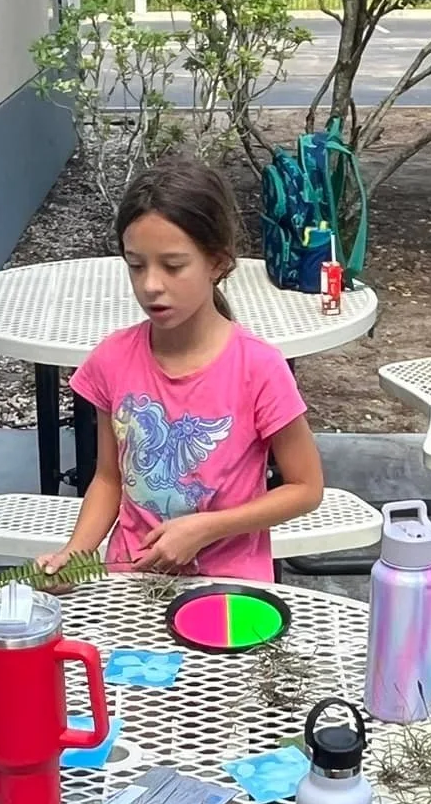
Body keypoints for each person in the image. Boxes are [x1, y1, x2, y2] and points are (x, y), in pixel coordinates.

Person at [37, 158, 325, 582]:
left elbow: (305, 489)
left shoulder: (258, 368)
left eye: (173, 266)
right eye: (136, 265)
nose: (151, 284)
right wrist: (75, 553)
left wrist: (206, 528)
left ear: (217, 263)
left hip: (229, 589)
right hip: (132, 581)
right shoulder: (112, 360)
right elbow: (108, 478)